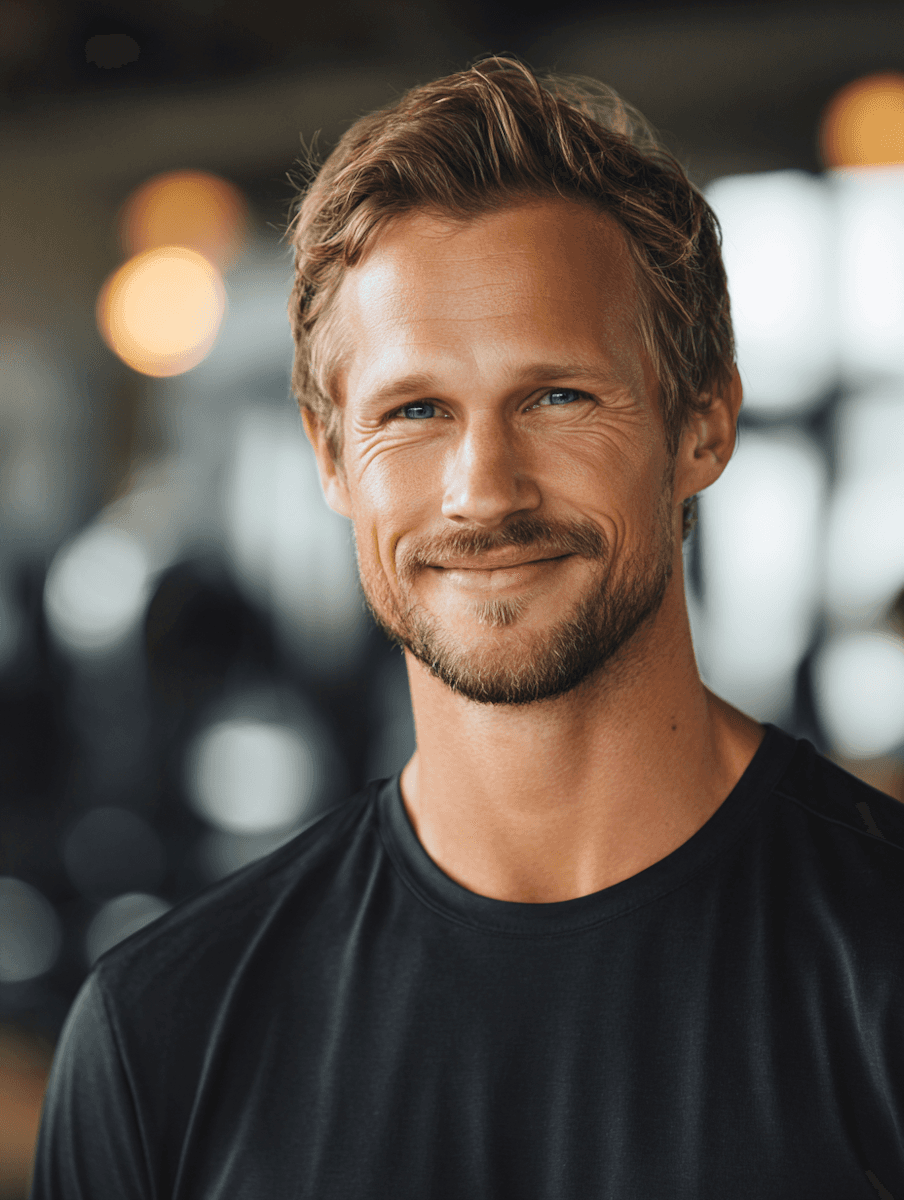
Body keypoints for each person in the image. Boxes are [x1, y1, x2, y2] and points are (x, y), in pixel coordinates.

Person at [31, 58, 904, 1199]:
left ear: (702, 424)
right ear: (331, 458)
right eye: (414, 412)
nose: (482, 492)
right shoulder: (162, 1036)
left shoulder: (877, 968)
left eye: (557, 397)